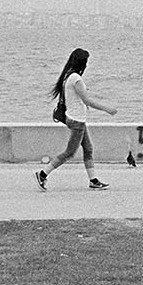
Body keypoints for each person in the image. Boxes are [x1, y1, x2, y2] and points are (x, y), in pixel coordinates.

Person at [35, 47, 117, 191]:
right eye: (86, 62)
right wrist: (107, 109)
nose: (87, 64)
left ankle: (93, 180)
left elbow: (75, 99)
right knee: (69, 153)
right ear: (82, 63)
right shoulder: (76, 79)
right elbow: (87, 101)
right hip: (77, 121)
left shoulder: (68, 76)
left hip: (75, 118)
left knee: (88, 149)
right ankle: (42, 174)